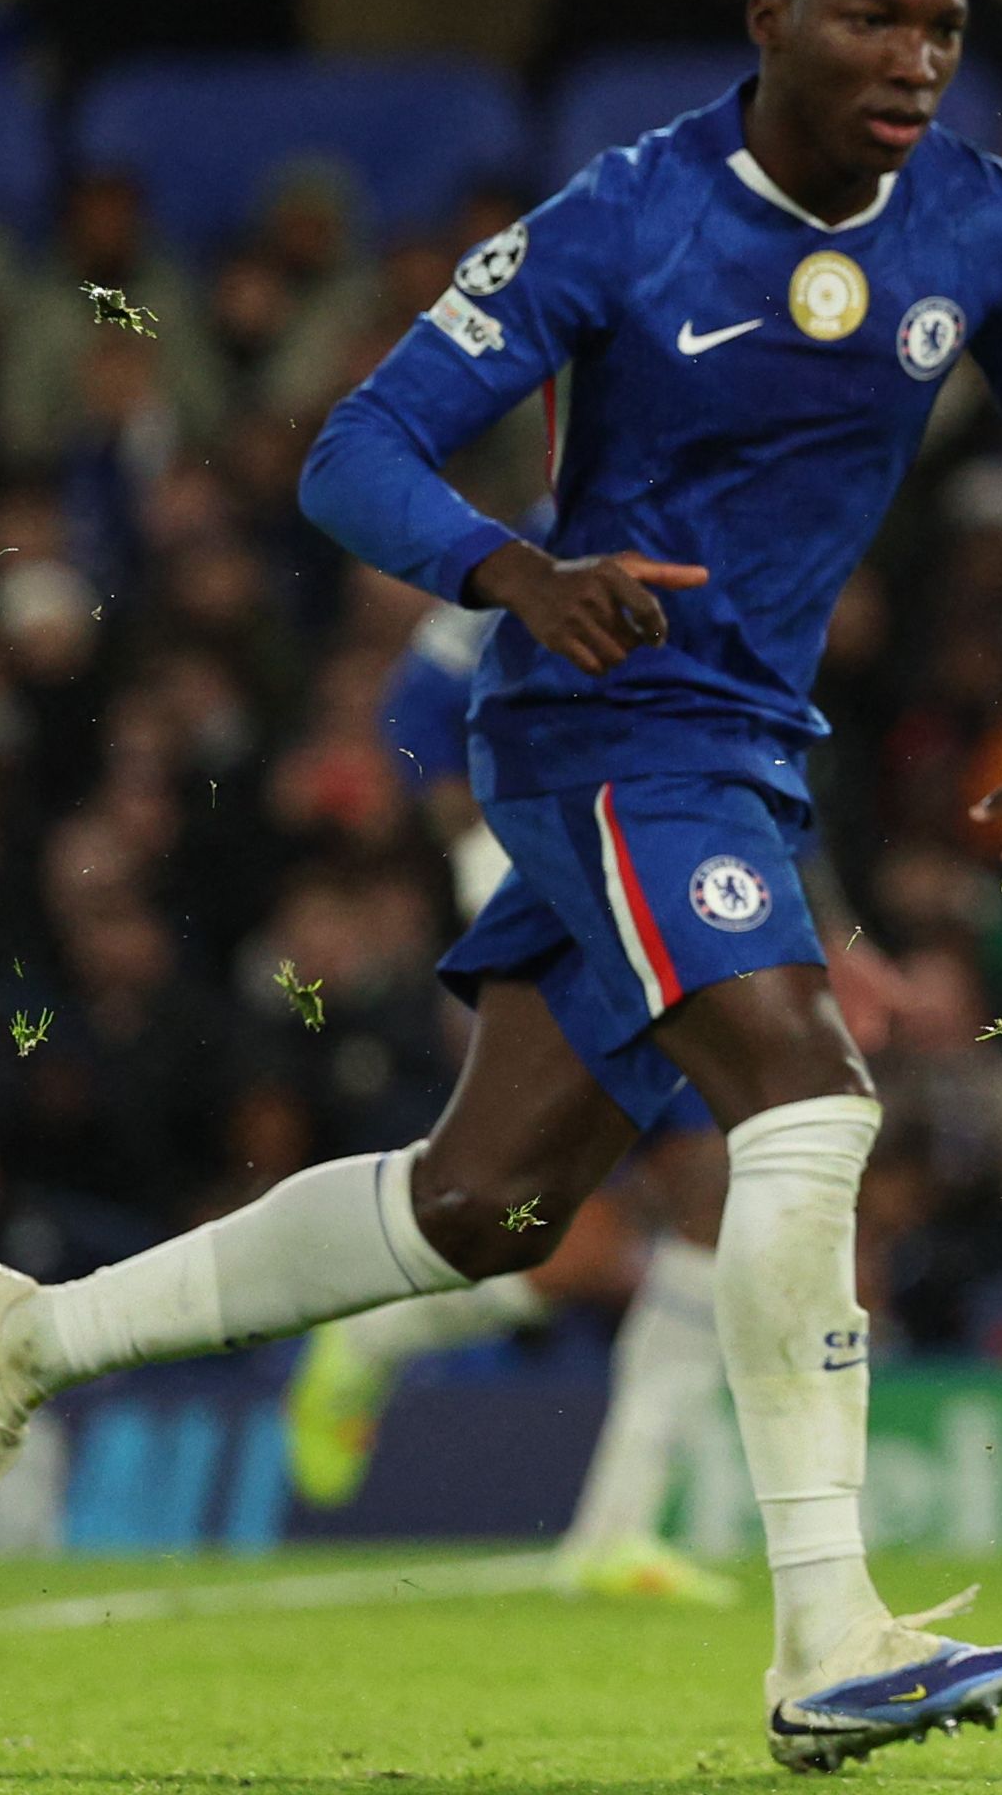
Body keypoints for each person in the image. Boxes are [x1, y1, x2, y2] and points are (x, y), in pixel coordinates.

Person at [0, 0, 1002, 1774]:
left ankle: (28, 1337)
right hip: (603, 726)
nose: (916, 58)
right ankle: (830, 1630)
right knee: (810, 1102)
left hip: (743, 742)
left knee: (480, 1205)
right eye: (874, 17)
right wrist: (512, 568)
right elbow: (354, 448)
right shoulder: (628, 216)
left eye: (942, 27)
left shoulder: (977, 220)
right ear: (770, 23)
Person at [280, 590, 738, 1609]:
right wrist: (483, 853)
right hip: (552, 898)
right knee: (598, 1202)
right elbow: (415, 703)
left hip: (652, 896)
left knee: (624, 1225)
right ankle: (371, 1340)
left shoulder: (707, 559)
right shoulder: (547, 555)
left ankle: (612, 1528)